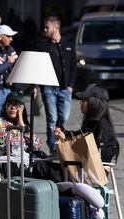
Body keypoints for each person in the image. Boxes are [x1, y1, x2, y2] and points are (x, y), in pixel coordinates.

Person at [33, 84, 119, 182]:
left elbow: (92, 154)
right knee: (41, 160)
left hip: (89, 175)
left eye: (84, 100)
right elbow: (78, 136)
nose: (80, 103)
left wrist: (64, 139)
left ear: (95, 102)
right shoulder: (93, 122)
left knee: (40, 167)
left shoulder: (102, 126)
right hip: (81, 170)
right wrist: (64, 133)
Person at [38, 16, 76, 157]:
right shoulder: (43, 46)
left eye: (47, 27)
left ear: (56, 27)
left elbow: (73, 66)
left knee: (63, 117)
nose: (45, 30)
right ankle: (53, 146)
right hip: (49, 87)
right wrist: (37, 86)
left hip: (65, 88)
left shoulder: (69, 45)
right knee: (52, 118)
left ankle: (58, 136)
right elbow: (38, 66)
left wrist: (71, 85)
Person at [0, 91, 43, 155]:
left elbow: (37, 145)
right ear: (5, 106)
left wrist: (23, 126)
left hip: (21, 163)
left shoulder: (24, 126)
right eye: (9, 104)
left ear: (22, 109)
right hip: (1, 162)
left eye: (16, 104)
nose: (12, 107)